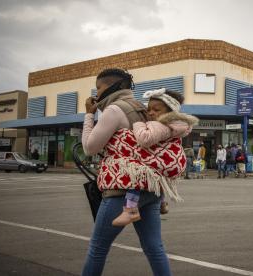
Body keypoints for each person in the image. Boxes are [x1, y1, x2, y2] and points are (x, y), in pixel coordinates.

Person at [81, 68, 172, 276]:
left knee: (98, 248)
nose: (96, 93)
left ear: (113, 86)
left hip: (122, 191)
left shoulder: (114, 110)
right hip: (150, 188)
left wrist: (88, 115)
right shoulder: (141, 108)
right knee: (154, 248)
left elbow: (89, 148)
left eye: (99, 88)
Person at [113, 88, 198, 225]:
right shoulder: (175, 125)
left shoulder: (162, 124)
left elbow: (145, 139)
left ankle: (130, 209)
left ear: (170, 112)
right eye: (149, 109)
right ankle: (162, 201)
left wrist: (138, 124)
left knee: (137, 175)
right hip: (169, 162)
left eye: (156, 110)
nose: (151, 113)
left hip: (163, 161)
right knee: (158, 176)